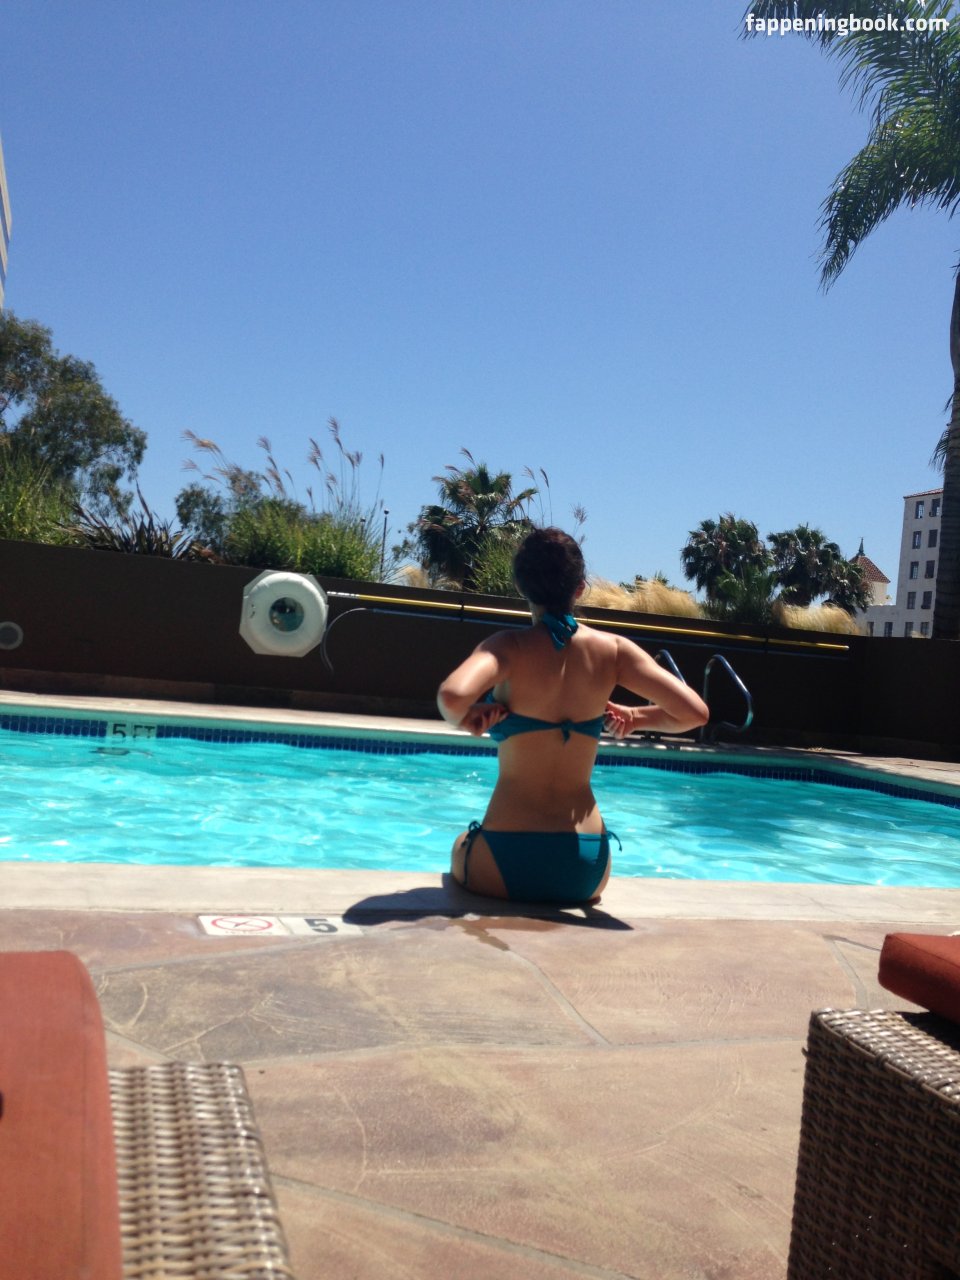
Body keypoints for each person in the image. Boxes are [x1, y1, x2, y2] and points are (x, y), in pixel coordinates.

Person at [436, 527, 709, 904]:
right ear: (580, 588)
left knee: (460, 843)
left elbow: (452, 696)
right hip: (585, 868)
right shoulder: (614, 650)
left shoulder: (508, 647)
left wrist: (468, 717)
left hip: (504, 859)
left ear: (521, 586)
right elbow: (694, 713)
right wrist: (635, 717)